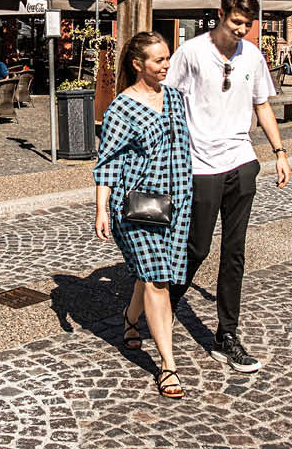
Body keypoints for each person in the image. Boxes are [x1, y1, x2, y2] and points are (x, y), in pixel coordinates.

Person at [165, 0, 291, 374]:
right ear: (221, 14)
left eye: (248, 25)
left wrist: (279, 151)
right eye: (237, 22)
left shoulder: (252, 55)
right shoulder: (191, 53)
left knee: (234, 251)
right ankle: (163, 305)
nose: (242, 30)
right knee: (197, 247)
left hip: (241, 163)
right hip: (200, 165)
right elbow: (168, 103)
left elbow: (262, 105)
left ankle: (227, 335)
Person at [94, 31, 193, 399]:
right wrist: (101, 208)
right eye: (158, 60)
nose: (166, 65)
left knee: (152, 274)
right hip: (137, 205)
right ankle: (168, 365)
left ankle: (129, 320)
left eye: (168, 58)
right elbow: (108, 162)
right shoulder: (122, 106)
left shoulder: (177, 99)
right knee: (157, 280)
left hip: (178, 201)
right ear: (138, 64)